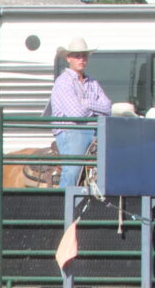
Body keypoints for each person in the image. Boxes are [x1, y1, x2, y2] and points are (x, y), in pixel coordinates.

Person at [48, 37, 111, 189]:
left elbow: (108, 107)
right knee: (73, 170)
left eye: (84, 56)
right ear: (69, 58)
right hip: (71, 131)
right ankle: (64, 205)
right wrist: (94, 108)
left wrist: (86, 104)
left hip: (91, 131)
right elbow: (75, 113)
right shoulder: (63, 81)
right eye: (77, 56)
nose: (81, 59)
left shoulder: (92, 82)